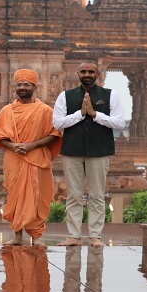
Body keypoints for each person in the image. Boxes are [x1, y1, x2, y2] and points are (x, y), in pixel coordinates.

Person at [52, 62, 126, 247]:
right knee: (73, 195)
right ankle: (73, 236)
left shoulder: (110, 95)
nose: (87, 74)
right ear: (78, 73)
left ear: (98, 74)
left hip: (99, 151)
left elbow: (119, 123)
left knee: (97, 195)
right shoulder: (65, 96)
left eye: (91, 71)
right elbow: (57, 123)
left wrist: (95, 114)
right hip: (72, 150)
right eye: (83, 71)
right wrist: (79, 114)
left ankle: (95, 235)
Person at [0, 69, 61, 246]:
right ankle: (17, 236)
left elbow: (55, 134)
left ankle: (36, 236)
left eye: (26, 84)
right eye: (19, 84)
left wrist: (32, 145)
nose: (22, 87)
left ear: (34, 87)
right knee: (15, 196)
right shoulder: (6, 111)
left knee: (38, 197)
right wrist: (13, 146)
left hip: (37, 157)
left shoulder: (45, 110)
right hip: (14, 158)